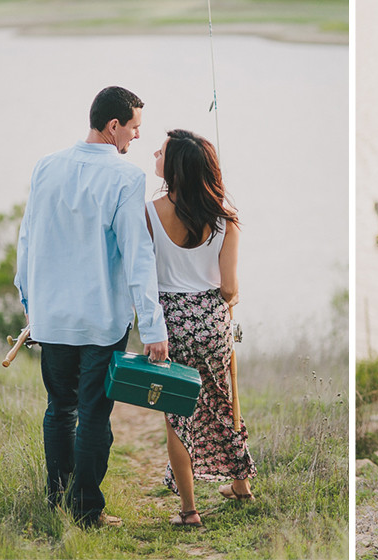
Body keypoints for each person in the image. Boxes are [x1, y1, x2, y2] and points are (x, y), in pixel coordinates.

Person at [15, 86, 169, 528]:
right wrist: (153, 327)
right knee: (94, 414)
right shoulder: (125, 178)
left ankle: (57, 502)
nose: (137, 137)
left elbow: (28, 239)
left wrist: (30, 302)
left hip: (52, 316)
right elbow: (138, 256)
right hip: (101, 320)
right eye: (135, 127)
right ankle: (85, 512)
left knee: (59, 409)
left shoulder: (46, 166)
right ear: (113, 125)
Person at [146, 129, 257, 528]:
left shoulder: (149, 213)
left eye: (161, 152)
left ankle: (189, 510)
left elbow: (143, 274)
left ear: (174, 168)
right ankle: (241, 484)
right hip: (211, 321)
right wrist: (229, 300)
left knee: (178, 414)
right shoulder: (226, 218)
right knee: (225, 401)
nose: (154, 154)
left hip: (170, 322)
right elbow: (229, 287)